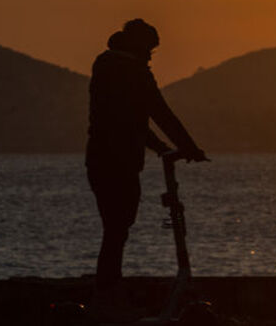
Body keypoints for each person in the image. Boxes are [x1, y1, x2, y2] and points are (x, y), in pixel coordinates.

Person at [85, 19, 207, 321]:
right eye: (150, 50)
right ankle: (108, 298)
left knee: (115, 230)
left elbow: (131, 120)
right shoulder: (133, 71)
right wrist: (189, 147)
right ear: (138, 45)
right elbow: (158, 111)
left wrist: (162, 147)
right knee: (117, 229)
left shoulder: (104, 65)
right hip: (119, 163)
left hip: (100, 160)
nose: (151, 57)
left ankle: (108, 295)